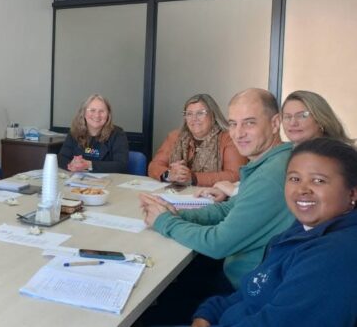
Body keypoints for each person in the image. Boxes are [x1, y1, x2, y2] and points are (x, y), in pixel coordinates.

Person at [138, 88, 294, 323]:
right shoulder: (268, 163)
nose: (238, 133)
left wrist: (165, 222)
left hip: (242, 291)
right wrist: (177, 213)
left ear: (274, 123)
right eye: (233, 124)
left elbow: (218, 243)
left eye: (249, 123)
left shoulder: (270, 175)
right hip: (237, 275)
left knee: (146, 310)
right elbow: (228, 209)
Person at [192, 138, 357, 326]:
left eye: (318, 181)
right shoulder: (302, 228)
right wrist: (208, 313)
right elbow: (254, 289)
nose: (302, 190)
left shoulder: (332, 257)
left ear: (352, 193)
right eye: (294, 179)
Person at [207, 89, 352, 201]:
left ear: (320, 119)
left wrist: (234, 191)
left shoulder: (331, 157)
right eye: (287, 117)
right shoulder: (292, 151)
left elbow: (294, 196)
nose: (293, 122)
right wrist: (233, 188)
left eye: (302, 115)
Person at [148, 93, 247, 187]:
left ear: (213, 115)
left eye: (200, 113)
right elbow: (154, 166)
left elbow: (235, 175)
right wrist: (169, 174)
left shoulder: (229, 138)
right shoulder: (175, 137)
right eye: (189, 114)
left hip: (214, 195)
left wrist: (193, 178)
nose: (194, 118)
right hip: (176, 194)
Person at [57, 94, 129, 173]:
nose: (97, 115)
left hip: (108, 180)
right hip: (78, 178)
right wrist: (72, 164)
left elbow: (121, 165)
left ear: (108, 115)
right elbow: (61, 158)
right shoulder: (75, 132)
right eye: (92, 110)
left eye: (102, 111)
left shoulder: (118, 134)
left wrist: (89, 165)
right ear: (84, 113)